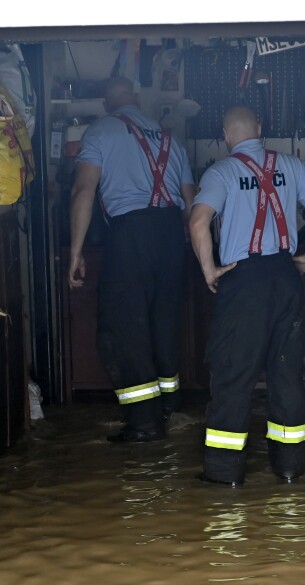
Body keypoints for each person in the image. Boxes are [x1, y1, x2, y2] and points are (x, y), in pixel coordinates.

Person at [189, 105, 305, 485]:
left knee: (233, 373)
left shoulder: (221, 172)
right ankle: (290, 468)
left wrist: (209, 270)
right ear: (260, 127)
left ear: (225, 134)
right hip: (285, 276)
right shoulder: (291, 166)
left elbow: (198, 221)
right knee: (286, 373)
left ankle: (225, 475)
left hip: (244, 282)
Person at [69, 77, 196, 442]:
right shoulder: (172, 140)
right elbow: (191, 203)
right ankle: (169, 407)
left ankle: (144, 422)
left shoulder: (99, 132)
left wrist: (76, 251)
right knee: (163, 318)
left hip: (131, 233)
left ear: (107, 105)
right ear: (137, 101)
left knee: (126, 324)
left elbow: (83, 191)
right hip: (172, 234)